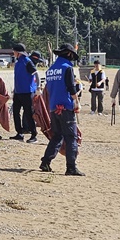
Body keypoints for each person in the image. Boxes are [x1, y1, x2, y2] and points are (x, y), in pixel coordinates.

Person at [39, 43, 84, 176]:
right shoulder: (67, 68)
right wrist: (77, 102)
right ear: (69, 54)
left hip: (54, 107)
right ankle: (71, 167)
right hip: (66, 107)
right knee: (71, 137)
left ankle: (45, 162)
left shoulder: (51, 69)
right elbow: (70, 87)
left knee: (57, 136)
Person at [10, 43, 38, 143]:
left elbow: (35, 73)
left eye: (14, 51)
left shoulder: (27, 61)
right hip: (18, 92)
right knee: (16, 112)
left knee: (29, 113)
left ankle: (34, 134)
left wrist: (37, 88)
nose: (13, 52)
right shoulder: (17, 63)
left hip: (27, 92)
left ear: (18, 52)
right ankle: (19, 133)